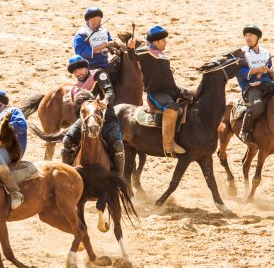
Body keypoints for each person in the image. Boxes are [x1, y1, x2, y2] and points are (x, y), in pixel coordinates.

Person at [59, 56, 126, 177]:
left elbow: (109, 92)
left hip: (107, 119)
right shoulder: (75, 90)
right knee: (67, 141)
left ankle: (118, 179)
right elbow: (77, 112)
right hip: (85, 121)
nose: (78, 72)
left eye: (80, 69)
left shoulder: (98, 75)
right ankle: (67, 175)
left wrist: (105, 102)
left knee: (117, 145)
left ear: (86, 67)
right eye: (75, 71)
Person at [132, 26, 193, 156]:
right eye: (164, 40)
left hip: (173, 90)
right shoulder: (146, 51)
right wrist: (130, 48)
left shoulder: (161, 54)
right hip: (157, 93)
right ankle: (169, 144)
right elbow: (133, 57)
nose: (166, 42)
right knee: (171, 106)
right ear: (157, 42)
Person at [0, 89, 27, 210]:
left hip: (11, 149)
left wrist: (4, 128)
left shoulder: (13, 111)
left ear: (0, 103)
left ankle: (14, 192)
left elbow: (22, 126)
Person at [236, 25, 274, 144]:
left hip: (267, 84)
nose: (248, 38)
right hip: (251, 87)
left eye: (250, 35)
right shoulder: (240, 53)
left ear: (257, 37)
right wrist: (255, 71)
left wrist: (271, 71)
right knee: (258, 106)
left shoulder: (266, 52)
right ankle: (244, 131)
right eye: (246, 36)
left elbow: (269, 68)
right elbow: (237, 72)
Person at [73, 7, 113, 71]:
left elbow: (110, 42)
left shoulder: (104, 31)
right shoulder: (81, 34)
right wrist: (101, 46)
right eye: (94, 19)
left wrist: (112, 45)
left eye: (99, 19)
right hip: (90, 67)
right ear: (88, 20)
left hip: (105, 64)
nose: (97, 22)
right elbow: (80, 52)